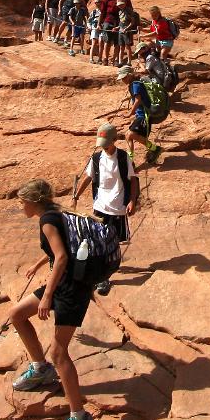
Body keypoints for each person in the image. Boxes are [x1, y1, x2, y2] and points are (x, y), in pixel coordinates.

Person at [8, 179, 96, 420]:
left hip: (70, 290)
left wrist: (47, 296)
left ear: (33, 201)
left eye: (22, 201)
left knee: (60, 353)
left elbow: (61, 258)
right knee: (17, 314)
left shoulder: (47, 219)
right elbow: (60, 250)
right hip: (63, 284)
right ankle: (40, 368)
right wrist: (37, 265)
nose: (20, 206)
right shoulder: (55, 214)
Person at [72, 123, 138, 296]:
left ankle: (106, 272)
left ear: (115, 140)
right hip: (100, 205)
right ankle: (102, 276)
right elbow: (88, 177)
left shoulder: (124, 158)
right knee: (98, 241)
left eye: (106, 143)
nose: (103, 147)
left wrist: (132, 201)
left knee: (112, 243)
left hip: (117, 207)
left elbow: (133, 180)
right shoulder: (96, 158)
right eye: (101, 143)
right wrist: (76, 195)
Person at [117, 65, 162, 164]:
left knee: (130, 134)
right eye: (122, 78)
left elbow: (138, 100)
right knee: (128, 136)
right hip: (141, 115)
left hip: (144, 115)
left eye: (124, 77)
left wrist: (130, 113)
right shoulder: (135, 83)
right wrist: (128, 99)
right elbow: (140, 96)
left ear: (129, 75)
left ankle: (154, 149)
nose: (123, 80)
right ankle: (131, 161)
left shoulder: (135, 84)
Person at [99, 0, 130, 66]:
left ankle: (115, 60)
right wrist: (99, 23)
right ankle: (105, 59)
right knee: (107, 40)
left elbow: (130, 10)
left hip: (120, 21)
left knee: (118, 42)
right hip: (108, 20)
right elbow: (102, 12)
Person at [115, 0, 140, 67]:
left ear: (125, 3)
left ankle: (129, 61)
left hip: (127, 31)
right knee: (121, 47)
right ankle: (120, 61)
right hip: (121, 31)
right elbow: (121, 22)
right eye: (119, 5)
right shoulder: (120, 12)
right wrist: (117, 28)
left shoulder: (129, 10)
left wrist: (126, 28)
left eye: (121, 4)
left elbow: (132, 22)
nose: (120, 6)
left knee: (127, 47)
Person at [87, 0, 105, 64]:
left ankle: (100, 59)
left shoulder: (104, 11)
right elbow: (89, 21)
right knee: (94, 43)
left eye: (99, 2)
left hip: (102, 28)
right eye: (96, 3)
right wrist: (89, 27)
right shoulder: (94, 12)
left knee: (101, 43)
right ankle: (91, 58)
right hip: (94, 28)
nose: (97, 4)